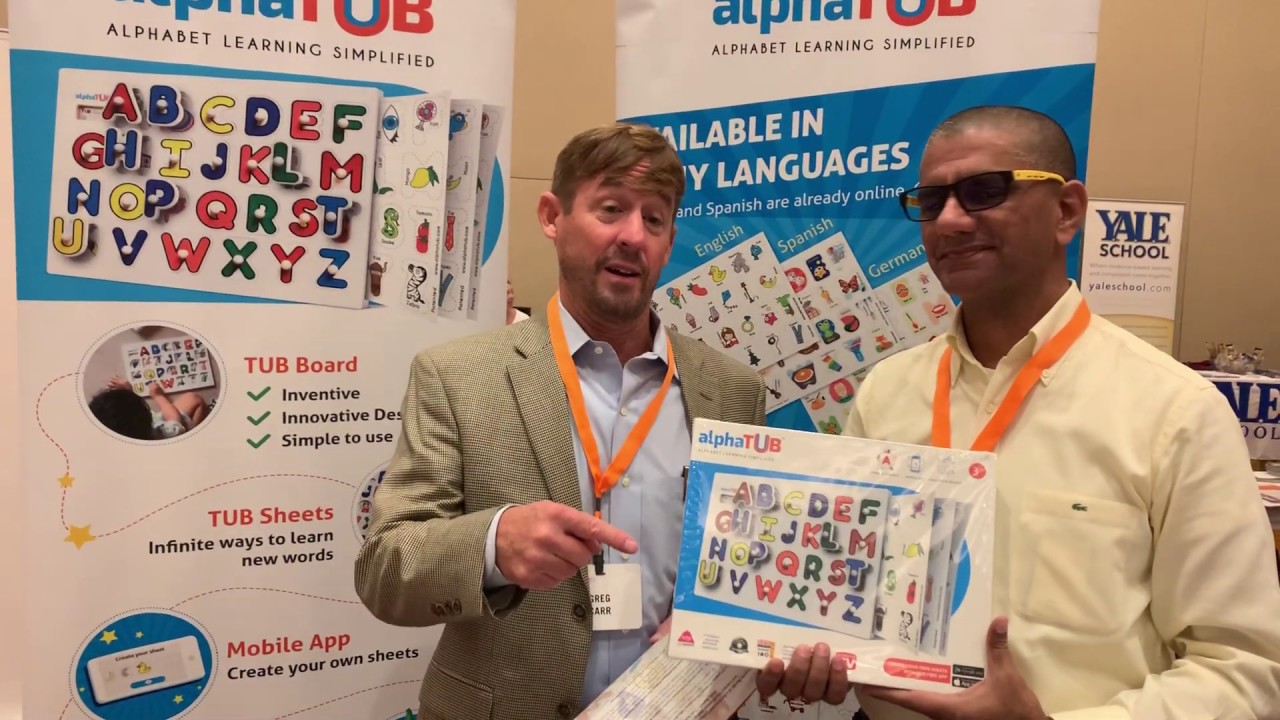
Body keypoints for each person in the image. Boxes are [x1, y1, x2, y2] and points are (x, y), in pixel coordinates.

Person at [756, 105, 1280, 718]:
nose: (950, 220)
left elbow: (1244, 672)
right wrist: (810, 644)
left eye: (985, 191)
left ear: (1067, 211)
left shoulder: (1174, 411)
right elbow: (848, 593)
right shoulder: (886, 393)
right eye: (931, 200)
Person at [354, 122, 767, 720]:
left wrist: (730, 617)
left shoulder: (732, 391)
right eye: (611, 209)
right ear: (552, 216)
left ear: (669, 240)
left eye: (654, 219)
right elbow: (385, 569)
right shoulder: (458, 376)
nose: (633, 235)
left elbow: (748, 560)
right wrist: (493, 545)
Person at [88, 376, 208, 440]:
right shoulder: (162, 434)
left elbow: (123, 415)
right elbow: (174, 418)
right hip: (168, 435)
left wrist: (128, 392)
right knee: (194, 399)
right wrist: (158, 395)